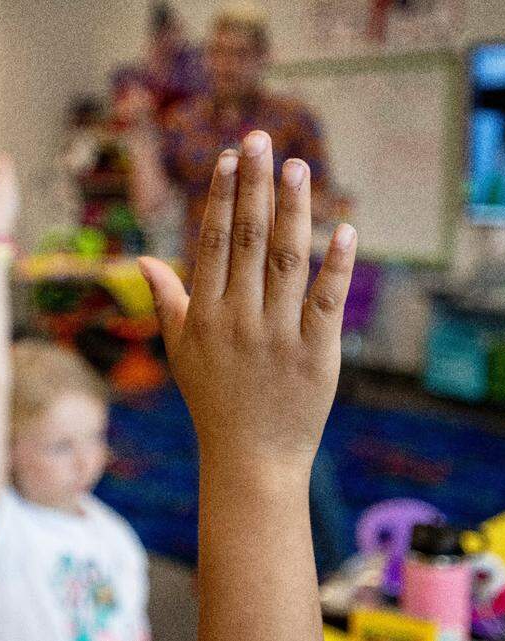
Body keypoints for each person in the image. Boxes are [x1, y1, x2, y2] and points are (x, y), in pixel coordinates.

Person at [137, 130, 358, 641]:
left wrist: (252, 450)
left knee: (289, 450)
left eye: (237, 46)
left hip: (274, 313)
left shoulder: (290, 116)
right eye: (217, 47)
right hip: (212, 309)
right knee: (282, 447)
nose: (224, 58)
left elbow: (327, 201)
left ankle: (325, 563)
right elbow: (152, 200)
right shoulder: (186, 117)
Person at [0, 127, 150, 641]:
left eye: (95, 439)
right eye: (61, 446)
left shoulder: (117, 540)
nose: (87, 461)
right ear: (9, 449)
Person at [117, 3, 333, 260]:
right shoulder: (183, 120)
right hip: (200, 275)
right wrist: (141, 133)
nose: (227, 65)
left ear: (264, 57)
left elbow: (324, 208)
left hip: (271, 278)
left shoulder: (295, 119)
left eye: (241, 54)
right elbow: (150, 206)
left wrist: (257, 196)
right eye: (218, 53)